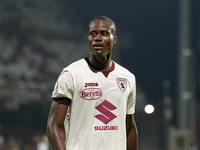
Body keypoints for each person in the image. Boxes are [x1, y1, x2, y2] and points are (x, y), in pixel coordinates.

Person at [46, 16, 138, 150]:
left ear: (114, 40)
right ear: (88, 39)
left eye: (104, 34)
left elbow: (129, 128)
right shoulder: (71, 74)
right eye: (93, 34)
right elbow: (53, 126)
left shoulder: (127, 78)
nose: (97, 38)